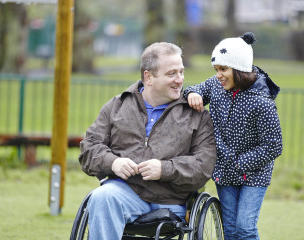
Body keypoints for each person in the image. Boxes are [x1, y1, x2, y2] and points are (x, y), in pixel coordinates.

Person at [78, 42, 217, 240]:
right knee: (101, 197)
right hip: (126, 192)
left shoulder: (196, 114)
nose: (180, 80)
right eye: (171, 74)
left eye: (181, 72)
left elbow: (204, 165)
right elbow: (88, 149)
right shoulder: (117, 106)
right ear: (148, 77)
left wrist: (164, 169)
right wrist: (113, 162)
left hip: (171, 200)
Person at [184, 32, 283, 239]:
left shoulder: (262, 102)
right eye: (216, 69)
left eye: (223, 69)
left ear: (239, 69)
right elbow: (196, 89)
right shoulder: (216, 86)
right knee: (229, 228)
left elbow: (273, 146)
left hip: (254, 174)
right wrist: (193, 93)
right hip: (225, 171)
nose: (218, 74)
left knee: (245, 228)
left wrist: (240, 163)